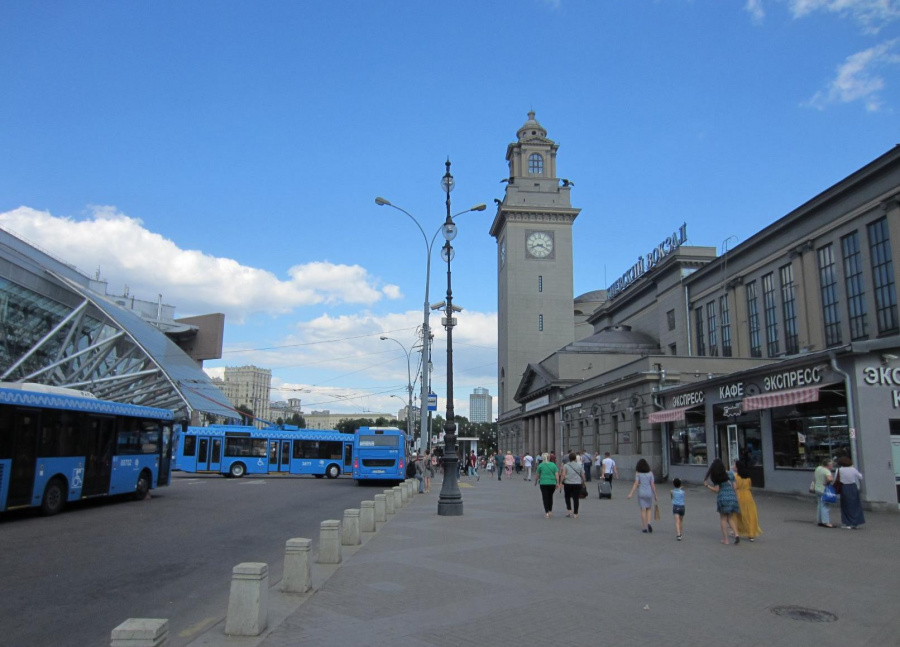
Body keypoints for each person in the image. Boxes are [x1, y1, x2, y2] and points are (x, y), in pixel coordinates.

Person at [704, 458, 741, 545]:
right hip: (732, 497)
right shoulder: (731, 474)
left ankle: (726, 540)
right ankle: (736, 534)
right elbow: (735, 487)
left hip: (723, 498)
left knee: (723, 519)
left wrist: (707, 486)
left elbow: (716, 490)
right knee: (730, 518)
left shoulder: (717, 477)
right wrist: (736, 497)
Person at [733, 459, 762, 542]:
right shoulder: (748, 477)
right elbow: (750, 486)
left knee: (737, 515)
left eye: (735, 466)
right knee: (750, 515)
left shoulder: (735, 477)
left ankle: (737, 531)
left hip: (739, 496)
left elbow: (735, 487)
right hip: (748, 496)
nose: (734, 467)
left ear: (738, 467)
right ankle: (751, 534)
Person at [627, 458, 658, 532]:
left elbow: (635, 483)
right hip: (649, 492)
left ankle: (644, 527)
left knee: (643, 510)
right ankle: (649, 523)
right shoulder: (650, 473)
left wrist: (631, 493)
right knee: (649, 509)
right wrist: (655, 495)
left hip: (641, 492)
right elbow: (652, 484)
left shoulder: (638, 473)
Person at [836, 456, 865, 529]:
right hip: (853, 486)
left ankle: (847, 523)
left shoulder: (839, 470)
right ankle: (856, 522)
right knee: (855, 505)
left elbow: (835, 479)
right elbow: (861, 477)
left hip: (844, 487)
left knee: (845, 505)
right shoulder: (853, 469)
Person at [534, 452, 561, 518]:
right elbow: (556, 474)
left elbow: (537, 475)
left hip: (543, 483)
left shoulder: (540, 465)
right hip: (552, 483)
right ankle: (550, 511)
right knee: (550, 496)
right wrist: (557, 483)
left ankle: (546, 512)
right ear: (549, 457)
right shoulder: (553, 465)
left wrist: (535, 481)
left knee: (545, 497)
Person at [561, 451, 586, 518]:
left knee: (567, 497)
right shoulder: (579, 465)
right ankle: (576, 513)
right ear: (575, 458)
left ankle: (569, 510)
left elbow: (563, 474)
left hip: (568, 483)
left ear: (569, 458)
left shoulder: (566, 465)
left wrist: (561, 482)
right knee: (576, 498)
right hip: (577, 483)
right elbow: (583, 475)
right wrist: (584, 482)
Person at [814, 458, 835, 528]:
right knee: (825, 506)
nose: (832, 466)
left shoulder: (818, 468)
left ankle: (819, 520)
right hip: (824, 489)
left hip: (817, 488)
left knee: (819, 504)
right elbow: (829, 479)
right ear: (828, 465)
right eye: (832, 464)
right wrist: (829, 481)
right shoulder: (827, 471)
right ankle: (826, 522)